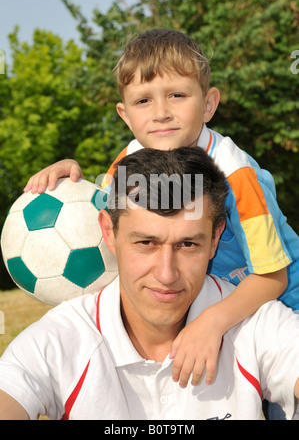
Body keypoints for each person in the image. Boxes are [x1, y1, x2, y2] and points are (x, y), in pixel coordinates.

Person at [23, 29, 299, 401]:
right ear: (124, 113)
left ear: (208, 104)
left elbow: (272, 276)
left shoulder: (236, 174)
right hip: (210, 301)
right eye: (142, 101)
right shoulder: (129, 162)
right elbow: (113, 220)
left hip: (280, 307)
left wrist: (210, 323)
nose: (161, 113)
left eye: (177, 95)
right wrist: (74, 179)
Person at [1, 147, 299, 420]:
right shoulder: (59, 340)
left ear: (215, 238)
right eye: (146, 242)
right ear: (108, 231)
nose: (167, 274)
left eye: (188, 244)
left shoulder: (255, 324)